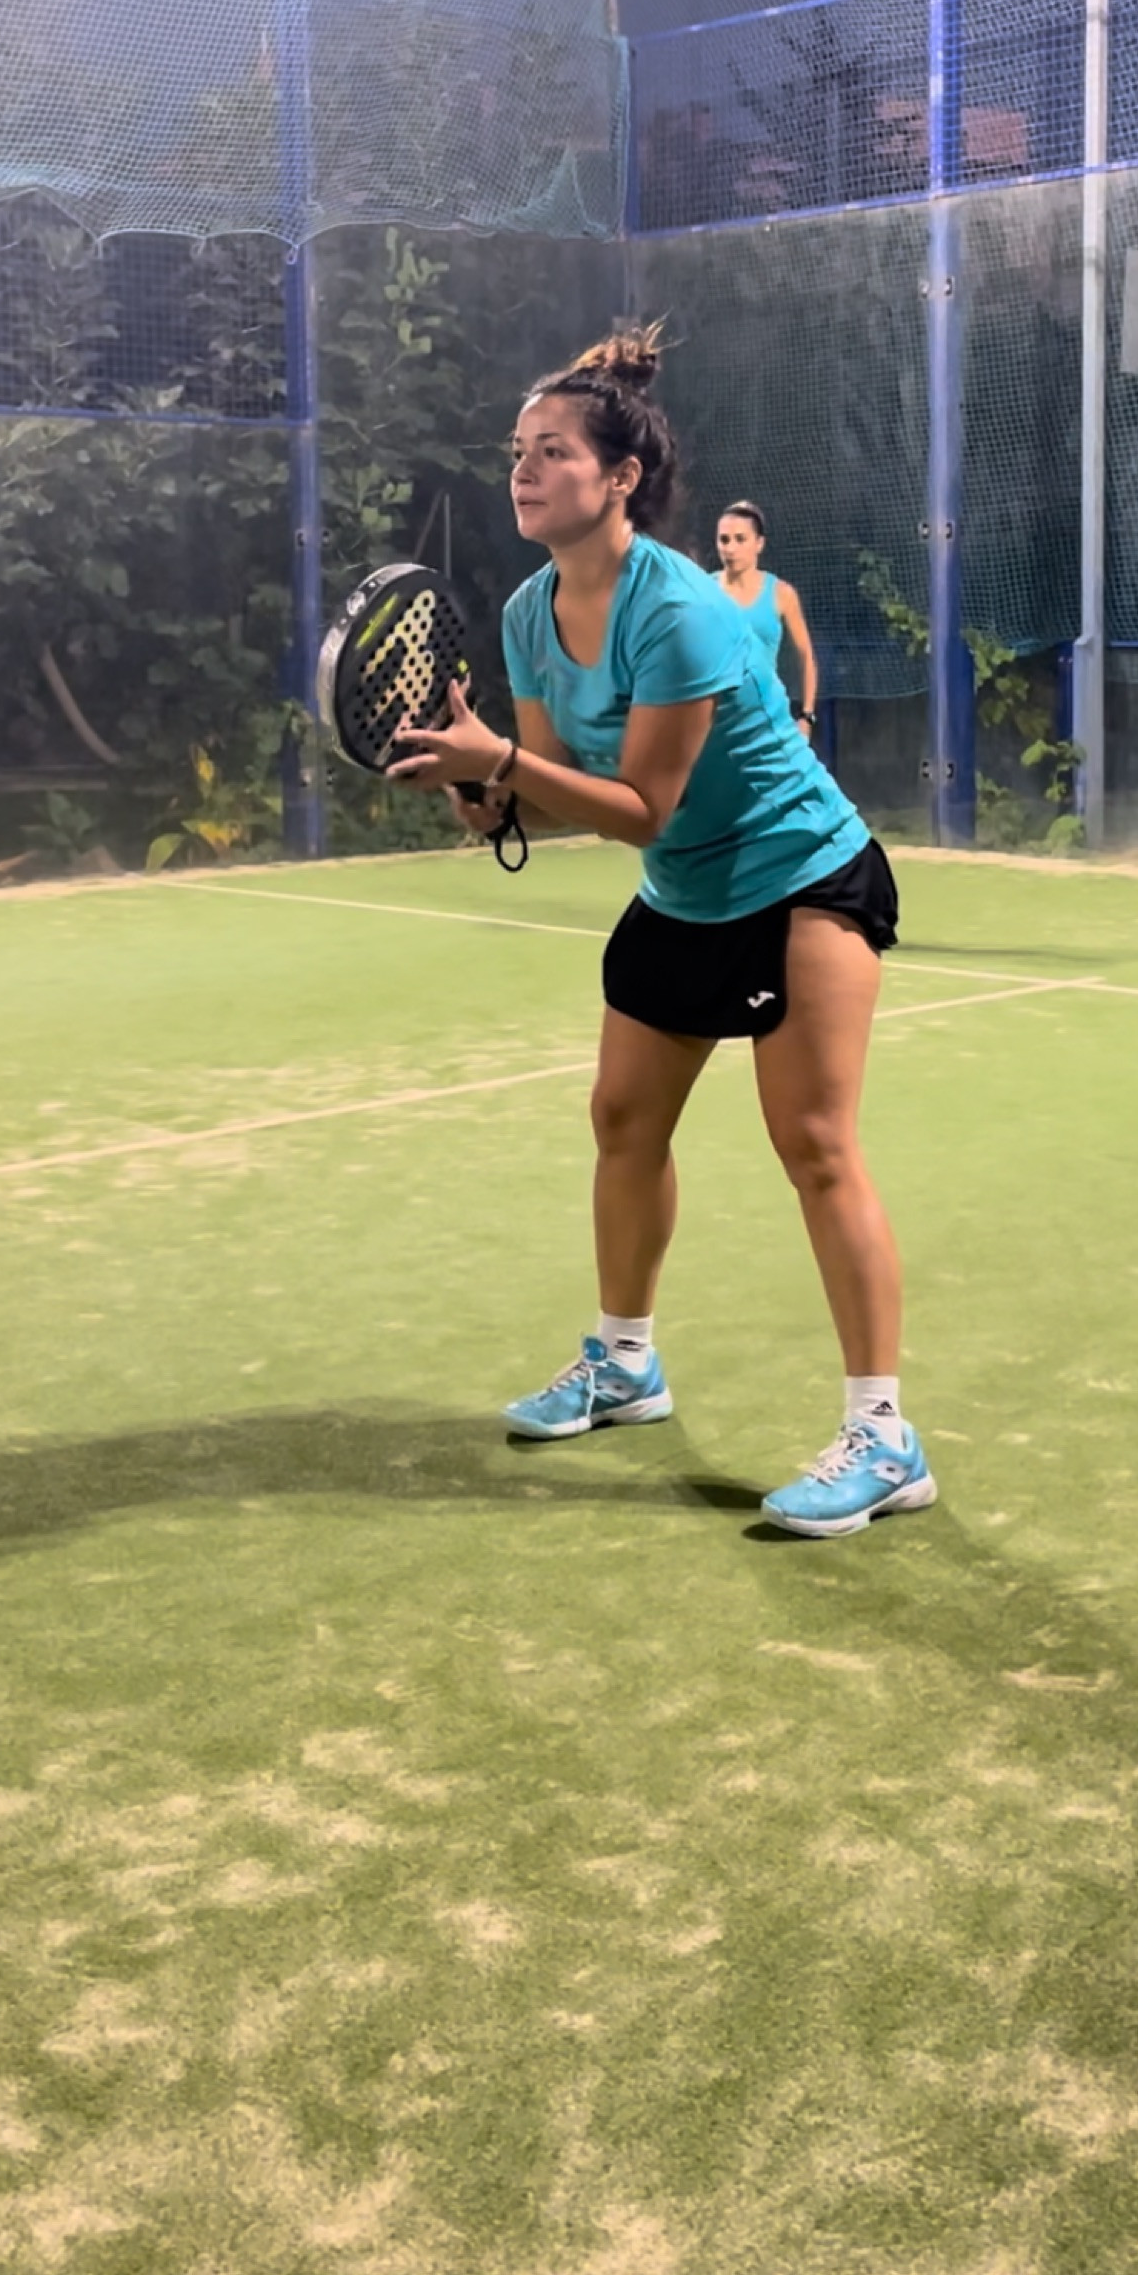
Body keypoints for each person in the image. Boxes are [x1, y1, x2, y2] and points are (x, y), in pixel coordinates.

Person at [387, 329, 933, 1539]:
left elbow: (642, 806)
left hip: (799, 874)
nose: (524, 471)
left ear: (621, 476)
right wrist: (481, 788)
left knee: (815, 1142)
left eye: (553, 451)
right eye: (517, 451)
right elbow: (553, 788)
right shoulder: (530, 612)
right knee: (623, 1119)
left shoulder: (680, 607)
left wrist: (503, 761)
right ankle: (625, 1361)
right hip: (686, 891)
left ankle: (886, 1435)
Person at [714, 500, 818, 737]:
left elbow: (806, 655)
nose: (730, 548)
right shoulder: (704, 591)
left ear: (759, 543)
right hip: (718, 725)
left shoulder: (782, 594)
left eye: (740, 539)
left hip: (769, 721)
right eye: (724, 540)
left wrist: (807, 716)